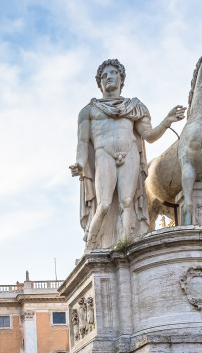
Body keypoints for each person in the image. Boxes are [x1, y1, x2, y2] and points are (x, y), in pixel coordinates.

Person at [70, 59, 184, 249]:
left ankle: (125, 247)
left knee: (127, 202)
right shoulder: (89, 111)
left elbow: (149, 136)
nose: (108, 78)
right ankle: (91, 247)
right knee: (104, 204)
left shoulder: (134, 107)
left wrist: (167, 121)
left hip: (129, 153)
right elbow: (82, 143)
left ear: (121, 78)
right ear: (99, 84)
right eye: (103, 76)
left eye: (113, 73)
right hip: (103, 154)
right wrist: (80, 164)